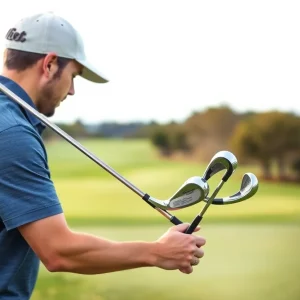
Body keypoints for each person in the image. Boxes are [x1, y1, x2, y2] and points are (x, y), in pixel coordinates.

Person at [0, 12, 206, 299]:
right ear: (49, 64)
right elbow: (59, 251)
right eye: (73, 76)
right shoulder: (11, 133)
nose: (71, 90)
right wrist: (157, 252)